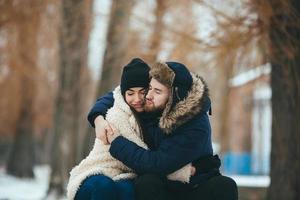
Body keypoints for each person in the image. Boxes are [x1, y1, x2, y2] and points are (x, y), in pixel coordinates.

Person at [89, 60, 238, 200]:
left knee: (225, 185)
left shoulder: (196, 125)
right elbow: (118, 94)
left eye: (157, 91)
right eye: (150, 88)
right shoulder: (155, 105)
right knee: (147, 182)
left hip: (194, 185)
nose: (148, 96)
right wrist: (98, 118)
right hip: (165, 184)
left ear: (175, 96)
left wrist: (117, 142)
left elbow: (157, 164)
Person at [67, 58, 194, 200]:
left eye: (142, 91)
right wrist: (182, 171)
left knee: (128, 190)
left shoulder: (152, 117)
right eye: (131, 93)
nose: (137, 99)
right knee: (103, 186)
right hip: (98, 170)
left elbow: (155, 156)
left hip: (125, 174)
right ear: (123, 94)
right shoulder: (117, 115)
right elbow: (146, 156)